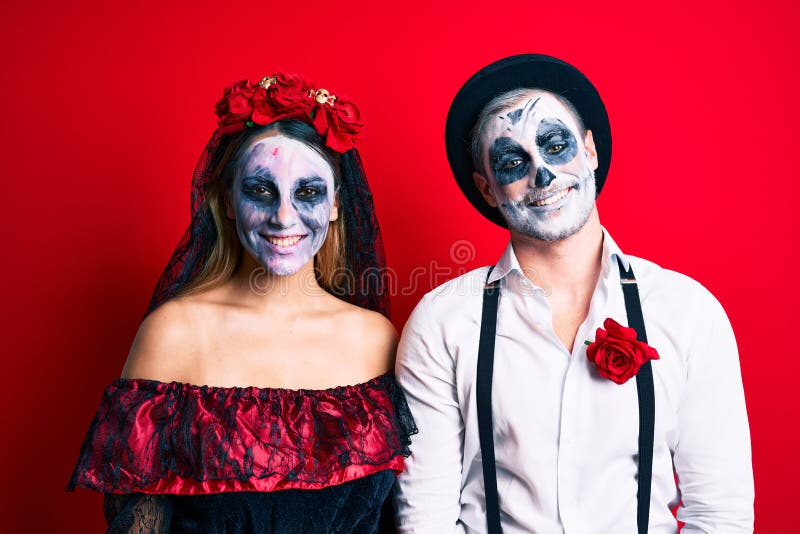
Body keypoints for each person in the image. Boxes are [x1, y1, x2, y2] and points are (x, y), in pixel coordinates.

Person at [394, 54, 753, 533]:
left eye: (555, 145)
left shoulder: (688, 312)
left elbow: (720, 515)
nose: (541, 174)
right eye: (511, 161)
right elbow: (426, 521)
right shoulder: (443, 323)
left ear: (590, 151)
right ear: (486, 189)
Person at [68, 72, 416, 533]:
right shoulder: (174, 332)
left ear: (336, 204)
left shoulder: (375, 338)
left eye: (308, 192)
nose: (283, 216)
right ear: (228, 201)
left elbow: (404, 512)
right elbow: (139, 518)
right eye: (260, 190)